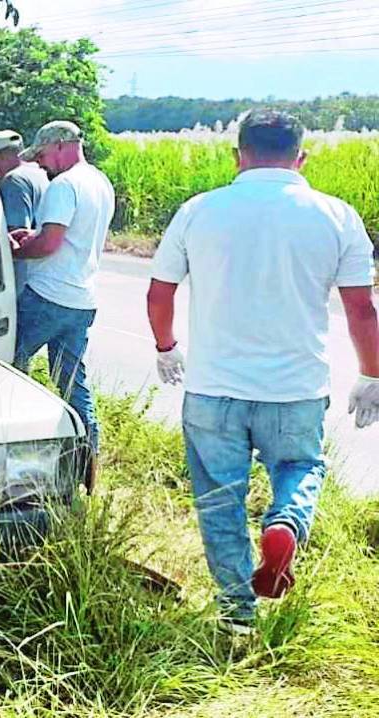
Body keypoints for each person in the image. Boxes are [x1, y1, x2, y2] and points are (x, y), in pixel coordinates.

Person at [147, 109, 379, 634]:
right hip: (294, 390)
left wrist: (166, 346)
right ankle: (286, 524)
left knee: (218, 498)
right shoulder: (337, 216)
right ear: (301, 157)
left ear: (239, 155)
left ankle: (237, 616)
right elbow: (362, 310)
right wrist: (373, 374)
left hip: (213, 389)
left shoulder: (199, 211)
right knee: (301, 467)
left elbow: (160, 292)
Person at [9, 121, 114, 481]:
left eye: (40, 156)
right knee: (72, 383)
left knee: (7, 366)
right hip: (82, 298)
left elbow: (50, 244)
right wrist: (35, 237)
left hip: (48, 294)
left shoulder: (64, 185)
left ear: (57, 146)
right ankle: (88, 464)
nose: (40, 164)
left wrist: (19, 249)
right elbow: (65, 238)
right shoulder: (99, 182)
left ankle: (15, 445)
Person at [0, 129, 49, 297]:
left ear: (1, 157)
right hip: (34, 280)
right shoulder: (39, 174)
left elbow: (14, 238)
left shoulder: (15, 181)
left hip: (13, 285)